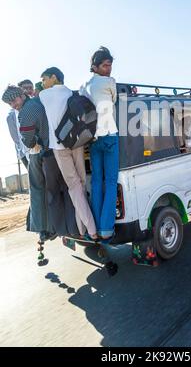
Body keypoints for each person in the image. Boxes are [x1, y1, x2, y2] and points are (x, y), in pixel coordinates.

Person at [40, 67, 97, 240]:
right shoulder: (71, 94)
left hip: (60, 147)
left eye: (44, 79)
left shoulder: (45, 95)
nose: (42, 83)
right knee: (81, 182)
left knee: (74, 187)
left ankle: (91, 229)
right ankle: (82, 228)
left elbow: (38, 94)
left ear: (54, 77)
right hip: (76, 143)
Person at [1, 85, 55, 241]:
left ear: (21, 95)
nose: (13, 105)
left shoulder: (26, 110)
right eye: (9, 103)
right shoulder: (37, 102)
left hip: (36, 153)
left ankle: (42, 229)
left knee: (37, 191)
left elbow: (27, 140)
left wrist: (29, 143)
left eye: (14, 100)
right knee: (49, 189)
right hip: (48, 151)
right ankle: (49, 227)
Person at [80, 46, 119, 242]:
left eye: (110, 65)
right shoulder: (109, 82)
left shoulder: (84, 85)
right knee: (111, 183)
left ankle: (93, 227)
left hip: (93, 139)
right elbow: (114, 99)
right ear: (94, 66)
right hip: (110, 135)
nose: (109, 69)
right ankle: (106, 229)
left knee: (96, 182)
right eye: (105, 65)